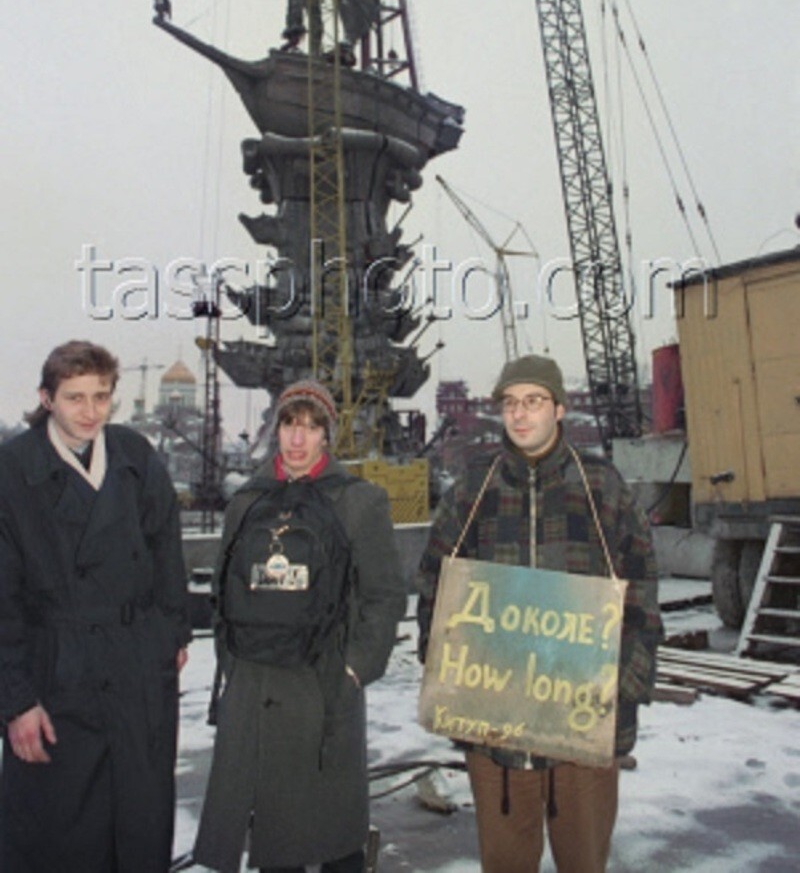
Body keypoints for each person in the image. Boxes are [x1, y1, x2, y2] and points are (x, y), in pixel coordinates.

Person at [416, 354, 664, 873]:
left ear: (559, 408)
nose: (520, 415)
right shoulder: (473, 490)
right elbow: (436, 588)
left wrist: (625, 685)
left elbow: (640, 592)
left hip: (582, 730)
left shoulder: (601, 489)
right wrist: (446, 670)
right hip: (497, 738)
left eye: (533, 402)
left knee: (582, 863)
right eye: (510, 403)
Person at [194, 378, 406, 873]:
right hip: (255, 683)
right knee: (273, 837)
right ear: (276, 428)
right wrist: (232, 664)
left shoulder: (358, 501)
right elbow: (223, 589)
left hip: (323, 685)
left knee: (333, 834)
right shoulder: (247, 501)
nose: (297, 438)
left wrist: (355, 669)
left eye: (311, 427)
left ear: (326, 435)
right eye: (290, 423)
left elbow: (385, 594)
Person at [0, 340, 191, 872]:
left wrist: (171, 634)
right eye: (74, 398)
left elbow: (165, 550)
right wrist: (15, 701)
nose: (89, 412)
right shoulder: (12, 472)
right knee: (61, 830)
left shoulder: (134, 456)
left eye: (101, 397)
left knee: (138, 821)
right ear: (47, 398)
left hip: (135, 672)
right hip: (57, 674)